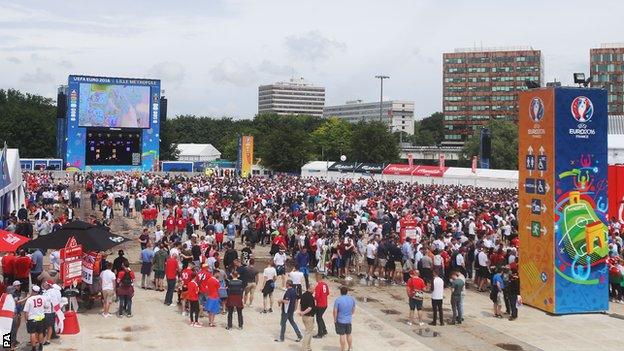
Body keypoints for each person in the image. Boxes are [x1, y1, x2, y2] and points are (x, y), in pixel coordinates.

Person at [23, 285, 48, 351]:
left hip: (32, 318)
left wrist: (26, 320)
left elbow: (26, 311)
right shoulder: (43, 297)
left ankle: (34, 348)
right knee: (40, 332)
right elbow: (46, 306)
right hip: (41, 318)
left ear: (33, 291)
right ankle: (40, 346)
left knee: (32, 333)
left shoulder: (29, 299)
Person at [333, 286, 356, 351]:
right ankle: (350, 348)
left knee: (342, 335)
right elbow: (353, 309)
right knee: (349, 334)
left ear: (340, 292)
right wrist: (350, 314)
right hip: (348, 320)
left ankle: (343, 349)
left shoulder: (338, 300)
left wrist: (335, 319)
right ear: (347, 292)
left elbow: (335, 311)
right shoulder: (352, 299)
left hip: (340, 320)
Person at [298, 283, 316, 351]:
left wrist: (301, 312)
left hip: (304, 317)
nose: (314, 291)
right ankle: (304, 348)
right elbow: (309, 308)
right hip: (309, 317)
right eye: (313, 289)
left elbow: (300, 304)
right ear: (310, 289)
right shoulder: (310, 297)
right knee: (308, 333)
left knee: (309, 332)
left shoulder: (303, 295)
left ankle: (308, 347)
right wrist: (302, 312)